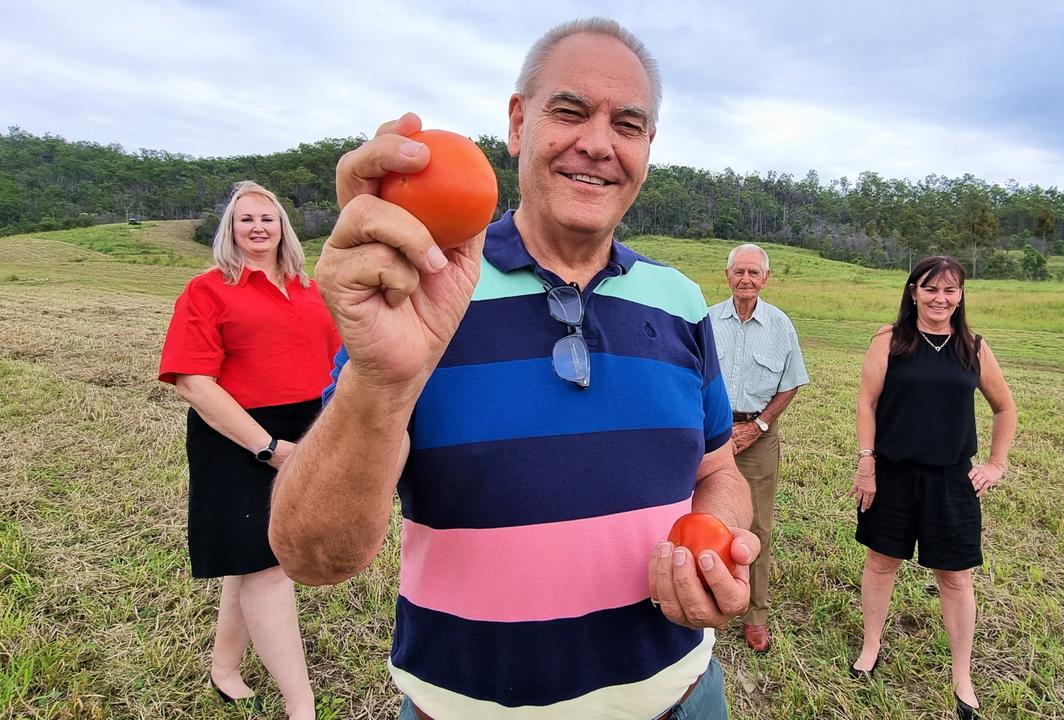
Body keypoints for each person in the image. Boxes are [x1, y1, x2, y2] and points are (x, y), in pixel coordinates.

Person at [268, 17, 759, 720]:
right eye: (569, 111)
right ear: (518, 123)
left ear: (648, 147)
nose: (597, 142)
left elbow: (718, 472)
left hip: (685, 699)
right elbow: (312, 559)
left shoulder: (680, 301)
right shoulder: (423, 289)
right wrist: (380, 383)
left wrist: (712, 551)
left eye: (628, 124)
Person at [158, 181, 337, 719]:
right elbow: (193, 381)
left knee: (252, 561)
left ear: (283, 225)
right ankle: (300, 705)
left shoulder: (311, 287)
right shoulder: (207, 290)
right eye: (245, 219)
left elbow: (337, 366)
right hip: (237, 436)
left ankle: (224, 667)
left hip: (307, 428)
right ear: (229, 231)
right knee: (269, 567)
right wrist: (266, 448)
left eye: (268, 217)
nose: (258, 227)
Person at [847, 255, 1016, 719]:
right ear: (913, 291)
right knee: (881, 563)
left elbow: (1005, 408)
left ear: (961, 295)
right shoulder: (890, 340)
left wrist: (996, 465)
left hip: (951, 480)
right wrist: (867, 464)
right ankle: (871, 645)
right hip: (894, 474)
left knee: (956, 577)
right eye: (930, 289)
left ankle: (962, 674)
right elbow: (867, 403)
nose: (940, 298)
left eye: (950, 290)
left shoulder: (974, 348)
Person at [708, 243, 808, 653]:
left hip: (758, 435)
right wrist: (712, 429)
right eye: (739, 272)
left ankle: (755, 616)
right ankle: (707, 607)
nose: (745, 279)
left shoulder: (781, 325)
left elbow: (791, 383)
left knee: (757, 526)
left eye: (754, 273)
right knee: (705, 518)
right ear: (728, 276)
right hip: (710, 433)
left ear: (765, 279)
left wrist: (758, 426)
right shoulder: (707, 320)